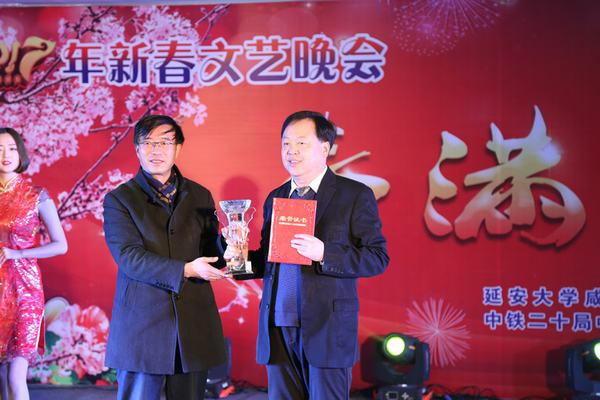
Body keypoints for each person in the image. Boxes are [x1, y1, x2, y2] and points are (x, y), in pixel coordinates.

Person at [225, 111, 390, 399]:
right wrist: (236, 257)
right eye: (286, 144)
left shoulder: (353, 195)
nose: (292, 151)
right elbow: (266, 261)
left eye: (301, 143)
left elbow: (377, 257)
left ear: (324, 148)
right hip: (278, 328)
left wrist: (324, 252)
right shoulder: (276, 197)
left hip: (327, 329)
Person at [102, 115, 227, 400]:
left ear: (178, 148)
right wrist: (186, 270)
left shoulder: (200, 195)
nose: (156, 150)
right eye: (148, 143)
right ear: (137, 149)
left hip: (193, 328)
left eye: (165, 142)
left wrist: (229, 245)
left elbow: (211, 253)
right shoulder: (120, 199)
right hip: (143, 329)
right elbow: (129, 257)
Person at [0, 127, 68, 400]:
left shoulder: (36, 195)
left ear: (20, 153)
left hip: (25, 290)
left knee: (15, 375)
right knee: (2, 375)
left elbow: (61, 245)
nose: (5, 155)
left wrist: (17, 254)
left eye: (11, 148)